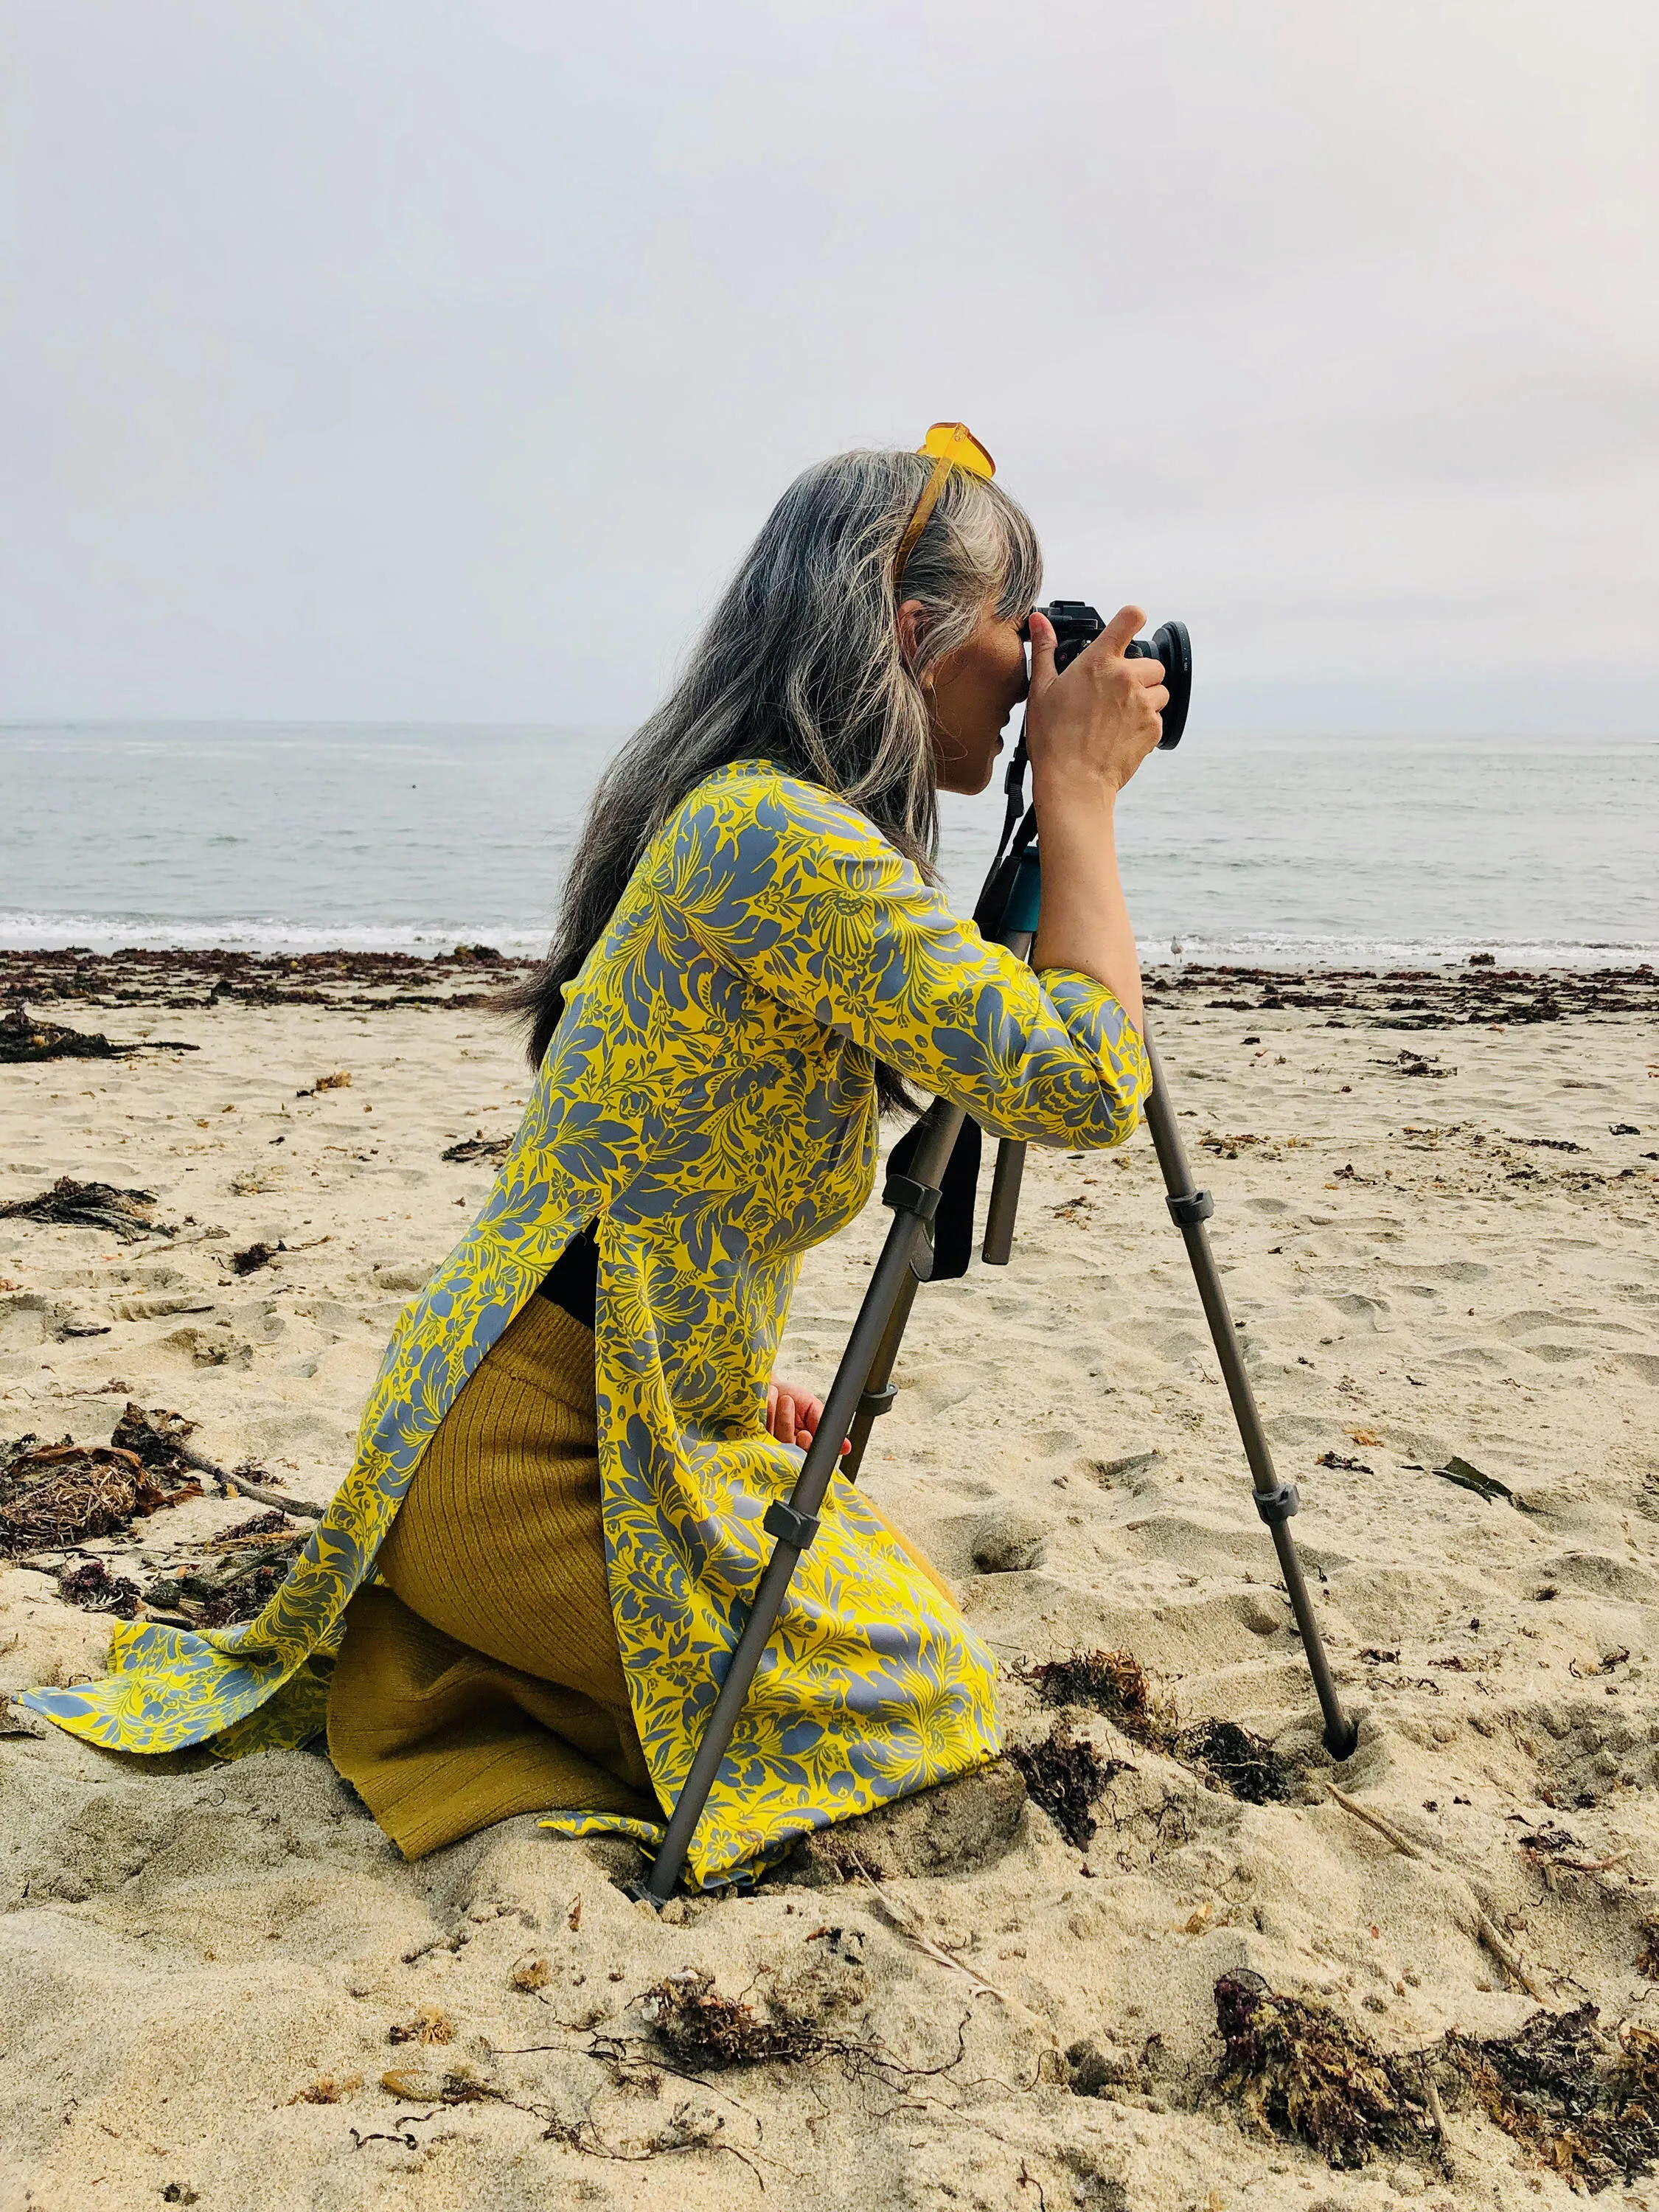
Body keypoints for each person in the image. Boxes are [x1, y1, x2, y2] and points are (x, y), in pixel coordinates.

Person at [22, 427, 1167, 1892]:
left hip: (597, 1402)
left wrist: (735, 1380)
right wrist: (1076, 803)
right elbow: (1080, 1082)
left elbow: (653, 1164)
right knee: (926, 1684)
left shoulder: (751, 818)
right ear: (910, 631)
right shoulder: (773, 837)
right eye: (1024, 628)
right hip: (524, 1459)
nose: (1032, 677)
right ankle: (518, 1680)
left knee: (873, 1588)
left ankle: (512, 1668)